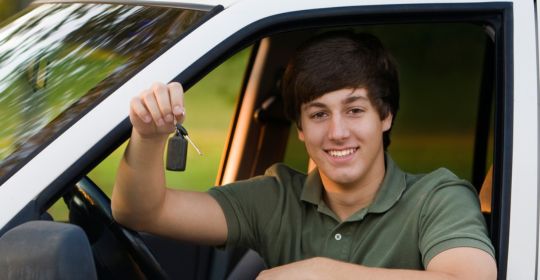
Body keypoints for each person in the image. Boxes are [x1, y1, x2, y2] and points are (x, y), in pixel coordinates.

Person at [112, 31, 497, 279]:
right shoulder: (276, 197)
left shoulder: (437, 198)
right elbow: (141, 212)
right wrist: (148, 136)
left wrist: (322, 273)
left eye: (355, 110)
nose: (337, 132)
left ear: (386, 116)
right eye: (318, 114)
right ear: (300, 129)